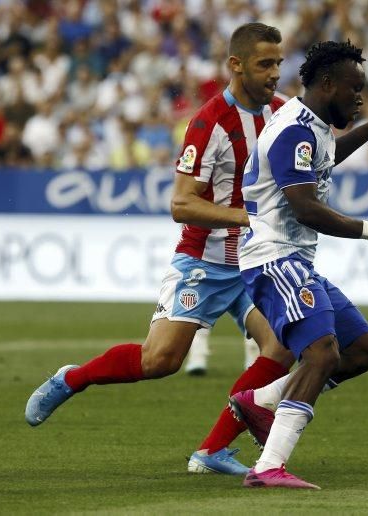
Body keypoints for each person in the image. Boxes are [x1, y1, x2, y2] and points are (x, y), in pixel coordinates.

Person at [24, 22, 296, 476]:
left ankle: (211, 451)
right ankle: (73, 377)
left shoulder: (283, 113)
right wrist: (250, 217)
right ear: (236, 65)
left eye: (278, 64)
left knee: (281, 346)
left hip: (253, 262)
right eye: (265, 64)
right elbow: (181, 204)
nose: (274, 74)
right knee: (161, 361)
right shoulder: (209, 123)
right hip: (204, 261)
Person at [229, 40, 368, 489]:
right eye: (355, 88)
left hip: (295, 260)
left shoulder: (311, 127)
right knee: (321, 354)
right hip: (273, 258)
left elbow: (326, 158)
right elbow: (305, 208)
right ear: (327, 83)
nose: (359, 97)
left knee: (364, 350)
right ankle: (268, 467)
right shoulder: (294, 128)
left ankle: (259, 401)